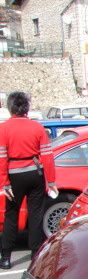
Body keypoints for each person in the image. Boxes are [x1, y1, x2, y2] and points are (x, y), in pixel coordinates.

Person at [0, 91, 58, 269]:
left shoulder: (3, 128)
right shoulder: (37, 128)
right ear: (27, 107)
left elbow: (1, 158)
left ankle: (6, 258)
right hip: (35, 174)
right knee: (36, 214)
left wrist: (4, 183)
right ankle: (35, 255)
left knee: (11, 215)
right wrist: (51, 181)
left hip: (13, 176)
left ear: (10, 108)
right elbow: (47, 156)